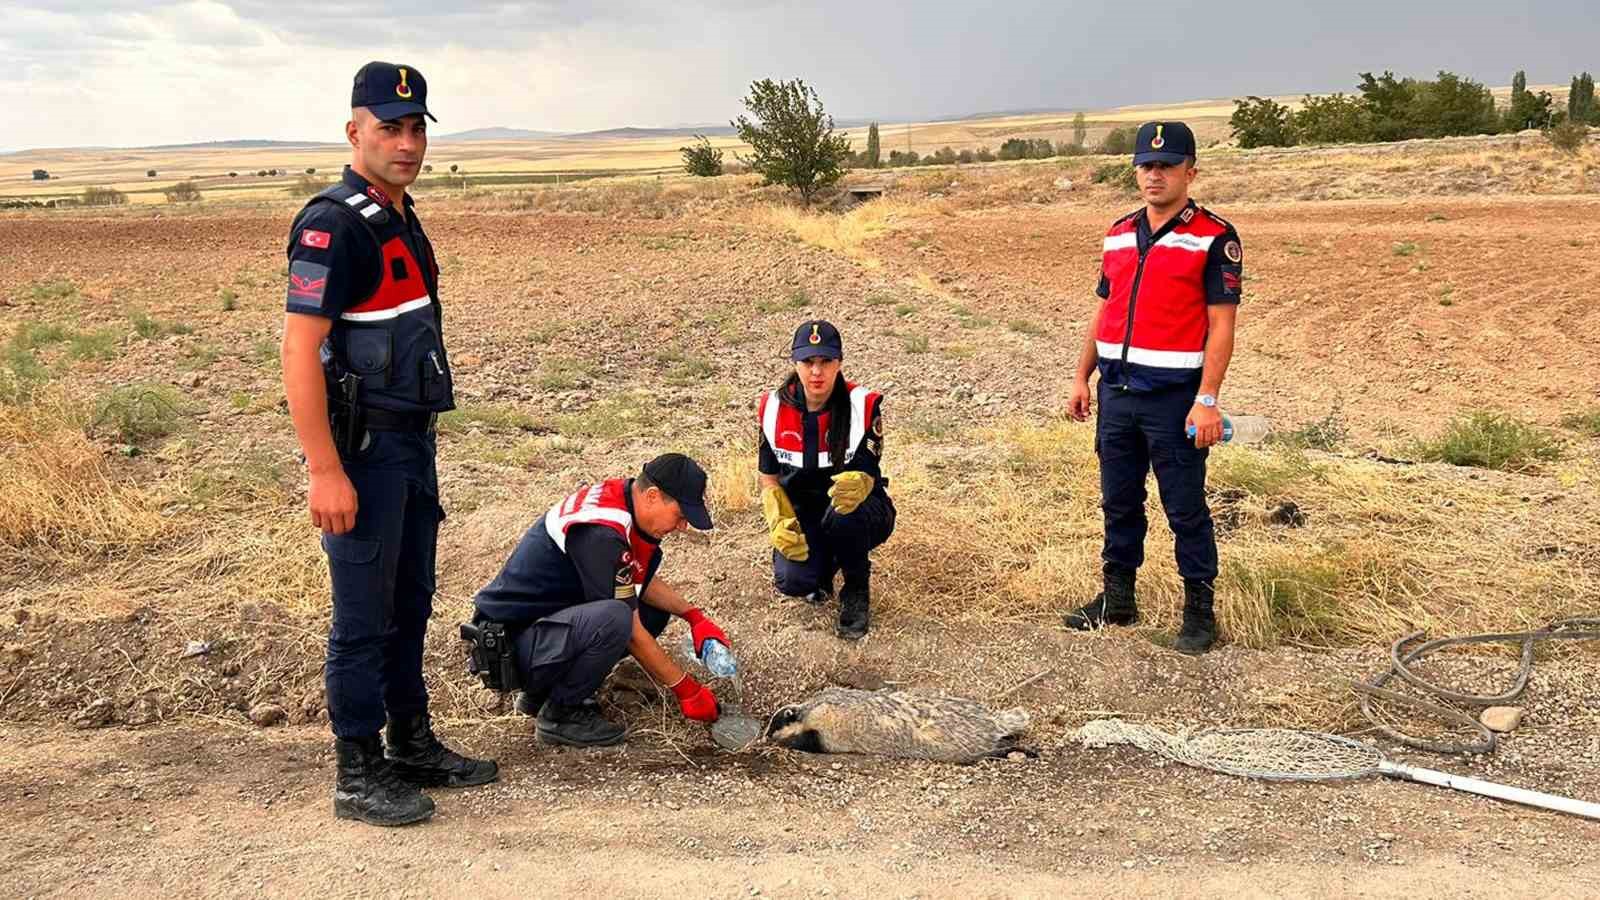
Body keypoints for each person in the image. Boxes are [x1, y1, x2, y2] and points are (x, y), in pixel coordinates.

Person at [281, 61, 495, 827]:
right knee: (362, 616)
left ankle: (410, 741)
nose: (405, 143)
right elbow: (298, 350)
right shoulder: (332, 223)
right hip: (364, 454)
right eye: (388, 128)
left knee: (409, 604)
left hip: (412, 446)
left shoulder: (398, 215)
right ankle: (357, 770)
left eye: (414, 129)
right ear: (353, 132)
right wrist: (324, 469)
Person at [1062, 121, 1242, 656]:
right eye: (1146, 165)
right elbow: (1105, 309)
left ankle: (1199, 614)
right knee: (1118, 501)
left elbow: (1222, 325)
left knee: (1184, 507)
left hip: (1174, 400)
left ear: (1191, 170)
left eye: (1166, 165)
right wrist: (1081, 375)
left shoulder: (1214, 237)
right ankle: (1118, 599)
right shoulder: (1118, 233)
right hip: (1116, 393)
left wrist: (1207, 399)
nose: (1154, 174)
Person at [470, 454, 727, 746]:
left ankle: (543, 693)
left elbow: (629, 577)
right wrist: (686, 689)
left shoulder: (624, 499)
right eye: (681, 516)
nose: (683, 527)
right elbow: (629, 630)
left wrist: (694, 616)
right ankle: (560, 714)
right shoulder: (602, 534)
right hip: (510, 647)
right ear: (653, 496)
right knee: (617, 619)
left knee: (650, 612)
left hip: (536, 634)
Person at [757, 320, 896, 640]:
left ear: (839, 363)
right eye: (808, 362)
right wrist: (777, 515)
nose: (816, 372)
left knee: (843, 515)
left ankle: (856, 591)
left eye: (826, 362)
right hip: (806, 511)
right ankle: (824, 562)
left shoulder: (863, 405)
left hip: (859, 509)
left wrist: (861, 481)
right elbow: (769, 478)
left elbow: (867, 471)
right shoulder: (772, 409)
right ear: (795, 363)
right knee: (793, 582)